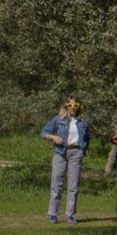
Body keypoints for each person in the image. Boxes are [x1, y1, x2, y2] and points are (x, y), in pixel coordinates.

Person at [40, 96, 96, 225]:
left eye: (75, 105)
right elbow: (43, 132)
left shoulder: (83, 121)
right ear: (66, 106)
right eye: (70, 105)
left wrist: (83, 150)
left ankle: (70, 215)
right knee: (56, 184)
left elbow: (87, 138)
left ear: (79, 106)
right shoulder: (58, 119)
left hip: (76, 153)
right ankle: (53, 214)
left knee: (73, 186)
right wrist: (53, 137)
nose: (73, 108)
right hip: (60, 153)